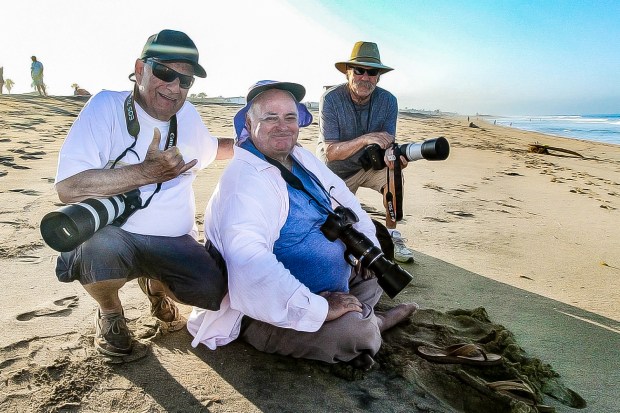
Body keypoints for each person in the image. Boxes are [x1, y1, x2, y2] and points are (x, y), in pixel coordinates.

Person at [187, 80, 418, 370]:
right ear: (248, 121)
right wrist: (321, 308)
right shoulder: (244, 184)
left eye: (290, 117)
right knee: (355, 334)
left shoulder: (299, 156)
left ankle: (358, 312)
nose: (282, 126)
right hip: (264, 308)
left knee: (377, 267)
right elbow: (251, 266)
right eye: (270, 117)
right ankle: (374, 323)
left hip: (325, 287)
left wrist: (364, 249)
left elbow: (345, 200)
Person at [53, 29, 233, 357]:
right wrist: (145, 173)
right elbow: (68, 188)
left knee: (212, 291)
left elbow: (213, 149)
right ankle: (110, 315)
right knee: (96, 250)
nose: (174, 87)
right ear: (140, 70)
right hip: (114, 236)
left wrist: (264, 145)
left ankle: (155, 286)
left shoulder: (188, 116)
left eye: (185, 81)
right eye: (164, 73)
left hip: (174, 239)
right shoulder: (105, 106)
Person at [317, 41, 414, 263]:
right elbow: (331, 152)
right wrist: (365, 139)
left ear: (378, 77)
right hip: (336, 172)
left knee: (394, 173)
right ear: (348, 73)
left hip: (369, 167)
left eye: (372, 72)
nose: (365, 77)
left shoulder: (388, 101)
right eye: (359, 70)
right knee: (330, 233)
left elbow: (388, 144)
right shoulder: (331, 99)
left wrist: (394, 157)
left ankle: (391, 235)